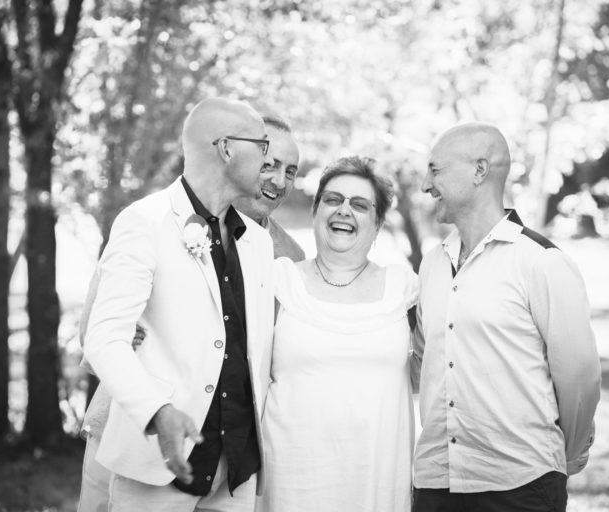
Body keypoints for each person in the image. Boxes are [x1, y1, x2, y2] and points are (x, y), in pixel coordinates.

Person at [77, 114, 305, 512]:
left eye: (290, 171)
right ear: (233, 153)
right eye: (268, 162)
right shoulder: (152, 220)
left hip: (231, 458)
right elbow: (98, 331)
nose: (278, 181)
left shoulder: (282, 252)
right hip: (135, 433)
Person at [411, 122, 601, 512]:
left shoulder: (541, 263)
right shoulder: (431, 265)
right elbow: (420, 362)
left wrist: (554, 462)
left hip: (521, 488)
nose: (424, 185)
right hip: (435, 486)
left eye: (435, 170)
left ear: (479, 171)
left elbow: (579, 379)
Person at [256, 156, 418, 512]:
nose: (344, 210)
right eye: (332, 200)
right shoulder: (279, 281)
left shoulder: (404, 289)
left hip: (377, 479)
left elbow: (435, 367)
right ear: (315, 212)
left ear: (376, 224)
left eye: (360, 205)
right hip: (292, 480)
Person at [235, 115, 305, 262]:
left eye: (290, 172)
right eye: (271, 165)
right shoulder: (190, 223)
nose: (280, 183)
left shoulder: (292, 257)